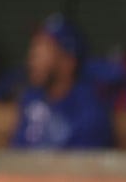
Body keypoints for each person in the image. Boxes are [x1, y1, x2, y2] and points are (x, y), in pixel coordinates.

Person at [10, 13, 114, 150]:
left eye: (43, 50)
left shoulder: (89, 112)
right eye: (34, 49)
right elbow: (15, 154)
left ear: (69, 62)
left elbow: (82, 169)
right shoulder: (31, 99)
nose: (32, 59)